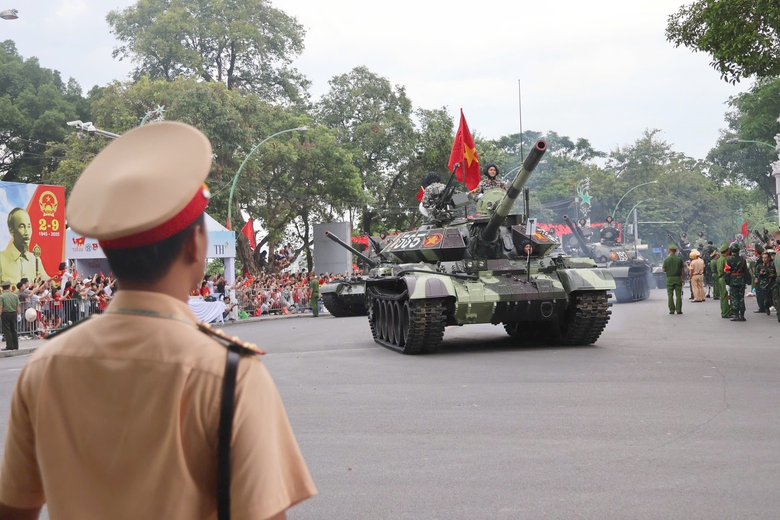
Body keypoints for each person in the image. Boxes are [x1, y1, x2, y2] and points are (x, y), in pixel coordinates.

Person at [0, 122, 316, 519]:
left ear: (108, 251)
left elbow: (14, 508)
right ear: (195, 245)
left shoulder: (44, 367)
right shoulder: (229, 375)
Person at [0, 208, 49, 285]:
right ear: (11, 230)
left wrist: (49, 282)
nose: (27, 232)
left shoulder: (35, 259)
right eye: (22, 227)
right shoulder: (1, 259)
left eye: (29, 226)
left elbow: (47, 280)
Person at [725, 243, 749, 321]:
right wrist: (747, 280)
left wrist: (727, 282)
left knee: (734, 298)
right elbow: (746, 271)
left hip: (733, 280)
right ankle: (742, 315)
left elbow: (727, 271)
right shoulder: (743, 259)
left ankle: (736, 315)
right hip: (741, 280)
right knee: (741, 297)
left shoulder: (728, 259)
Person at [663, 244, 685, 315]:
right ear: (675, 251)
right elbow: (682, 270)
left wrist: (669, 270)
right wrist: (683, 279)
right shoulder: (679, 259)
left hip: (669, 279)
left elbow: (663, 270)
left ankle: (672, 310)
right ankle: (679, 310)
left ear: (669, 250)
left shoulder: (666, 259)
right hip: (678, 278)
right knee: (678, 295)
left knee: (670, 295)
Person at [0, 281, 20, 351]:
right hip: (14, 313)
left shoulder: (2, 296)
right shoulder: (14, 296)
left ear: (3, 288)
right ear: (9, 287)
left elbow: (1, 307)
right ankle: (16, 345)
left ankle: (10, 345)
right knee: (13, 329)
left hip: (5, 313)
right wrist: (19, 314)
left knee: (7, 330)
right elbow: (18, 306)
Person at [716, 243, 731, 318]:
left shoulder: (719, 259)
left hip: (720, 278)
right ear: (726, 250)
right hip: (724, 278)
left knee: (722, 296)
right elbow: (727, 270)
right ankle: (726, 312)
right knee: (726, 296)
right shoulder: (725, 259)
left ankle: (724, 311)